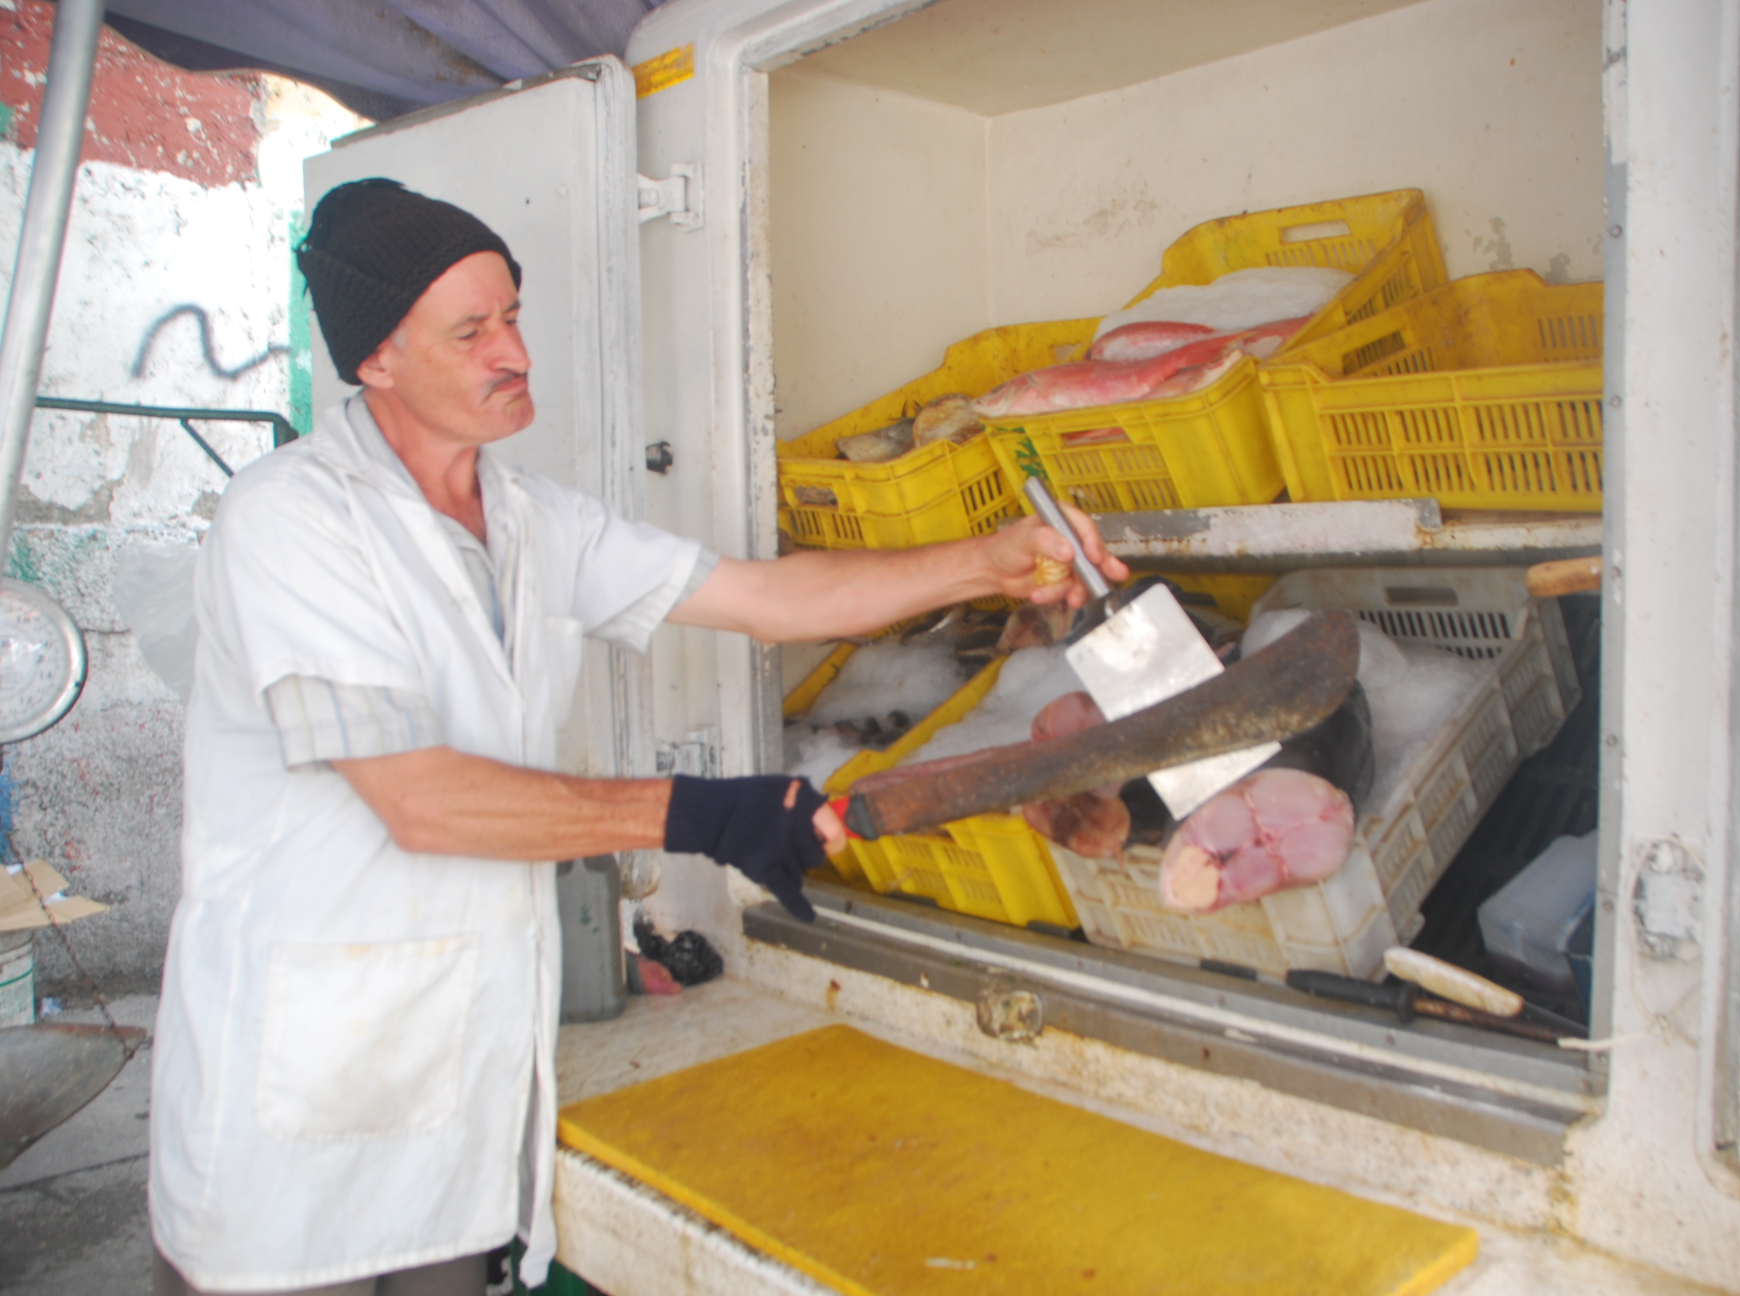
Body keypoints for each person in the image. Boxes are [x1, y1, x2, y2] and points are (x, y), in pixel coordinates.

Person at [148, 178, 1126, 1296]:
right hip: (299, 1091)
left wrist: (980, 562)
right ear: (374, 359)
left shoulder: (532, 520)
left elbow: (763, 597)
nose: (513, 351)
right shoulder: (292, 520)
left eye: (512, 315)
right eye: (471, 331)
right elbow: (420, 800)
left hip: (455, 1092)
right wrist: (703, 812)